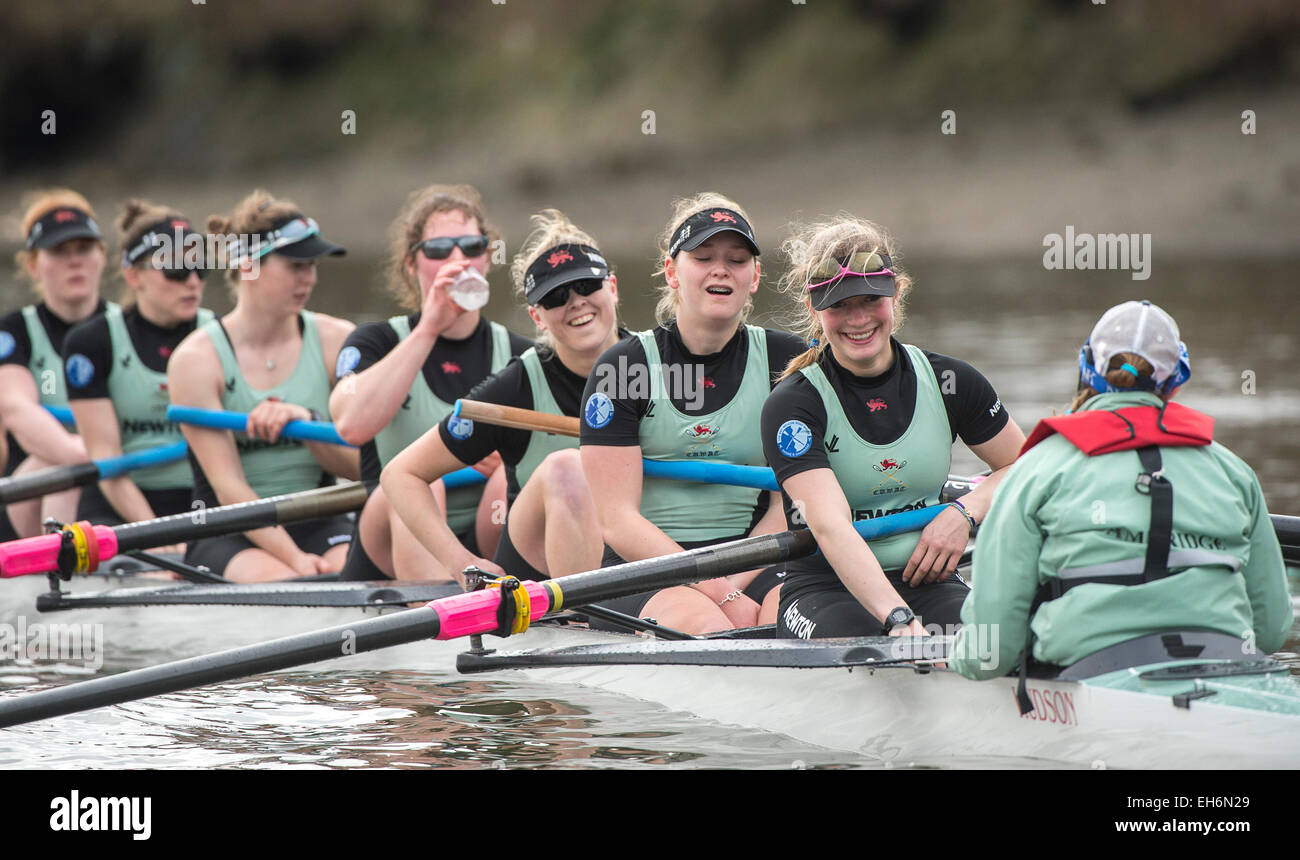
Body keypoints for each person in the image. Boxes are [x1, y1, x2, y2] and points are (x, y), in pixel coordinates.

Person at [950, 300, 1292, 686]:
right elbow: (1271, 629)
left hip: (1093, 675)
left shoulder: (1037, 469)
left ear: (1086, 368)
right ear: (1177, 378)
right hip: (1231, 668)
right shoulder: (1234, 471)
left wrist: (953, 657)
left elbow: (988, 653)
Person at [760, 216, 1025, 639]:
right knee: (865, 646)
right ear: (814, 308)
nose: (858, 319)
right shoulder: (794, 405)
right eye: (840, 305)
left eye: (870, 300)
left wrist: (964, 513)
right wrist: (899, 620)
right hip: (825, 590)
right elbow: (830, 525)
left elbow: (1027, 466)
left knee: (999, 638)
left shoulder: (950, 381)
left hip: (927, 580)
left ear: (896, 295)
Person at [580, 193, 806, 634]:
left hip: (757, 559)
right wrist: (717, 592)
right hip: (644, 567)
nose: (720, 269)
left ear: (755, 276)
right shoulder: (625, 369)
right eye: (703, 257)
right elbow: (618, 520)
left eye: (737, 259)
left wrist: (731, 586)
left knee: (791, 618)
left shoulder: (790, 361)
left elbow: (792, 503)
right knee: (710, 626)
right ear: (672, 273)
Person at [383, 210, 625, 584]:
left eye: (586, 286)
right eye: (557, 296)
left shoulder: (658, 363)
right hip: (537, 567)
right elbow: (401, 474)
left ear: (612, 287)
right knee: (567, 468)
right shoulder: (515, 386)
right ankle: (589, 620)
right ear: (538, 317)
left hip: (635, 552)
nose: (576, 302)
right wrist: (457, 561)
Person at [331, 184, 530, 582]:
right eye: (439, 250)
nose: (458, 259)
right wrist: (430, 327)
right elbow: (351, 425)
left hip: (485, 531)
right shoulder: (374, 342)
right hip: (389, 536)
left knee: (510, 478)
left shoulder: (519, 355)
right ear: (411, 264)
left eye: (472, 246)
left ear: (488, 259)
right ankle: (435, 608)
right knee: (425, 480)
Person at [166, 190, 358, 582]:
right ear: (248, 265)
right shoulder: (195, 360)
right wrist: (296, 561)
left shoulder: (338, 341)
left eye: (313, 263)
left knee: (360, 577)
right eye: (295, 264)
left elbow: (364, 467)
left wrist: (309, 422)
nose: (310, 277)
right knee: (293, 585)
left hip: (320, 517)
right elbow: (228, 485)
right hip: (228, 527)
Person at [63, 200, 212, 536]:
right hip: (118, 504)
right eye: (175, 269)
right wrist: (154, 534)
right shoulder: (91, 342)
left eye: (200, 266)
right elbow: (106, 459)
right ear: (134, 275)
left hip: (200, 502)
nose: (192, 281)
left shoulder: (218, 334)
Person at [0, 190, 113, 539]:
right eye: (59, 252)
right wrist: (92, 457)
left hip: (117, 474)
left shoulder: (126, 327)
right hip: (33, 487)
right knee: (56, 465)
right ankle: (61, 569)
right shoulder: (14, 332)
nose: (74, 261)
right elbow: (16, 409)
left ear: (102, 257)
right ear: (33, 266)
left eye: (83, 249)